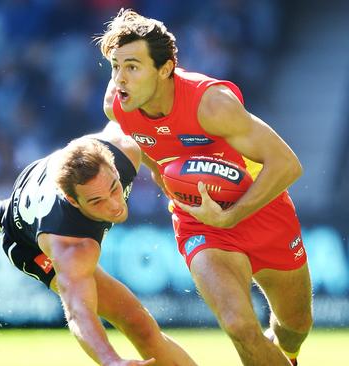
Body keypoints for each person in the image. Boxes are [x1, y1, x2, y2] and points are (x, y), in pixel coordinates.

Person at [97, 10, 313, 366]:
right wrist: (175, 190)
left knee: (296, 325)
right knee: (239, 325)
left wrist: (233, 215)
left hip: (261, 208)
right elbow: (153, 155)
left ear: (165, 69)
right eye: (115, 67)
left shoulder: (211, 104)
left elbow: (287, 164)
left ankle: (286, 354)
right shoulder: (117, 107)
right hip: (199, 222)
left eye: (132, 67)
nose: (120, 79)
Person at [0, 122, 196, 366]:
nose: (114, 205)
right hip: (26, 243)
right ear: (74, 201)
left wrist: (168, 180)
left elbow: (119, 108)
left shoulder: (124, 149)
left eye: (114, 188)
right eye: (97, 201)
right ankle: (3, 215)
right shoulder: (69, 245)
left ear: (113, 166)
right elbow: (79, 313)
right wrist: (111, 361)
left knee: (142, 326)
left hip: (46, 175)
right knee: (132, 320)